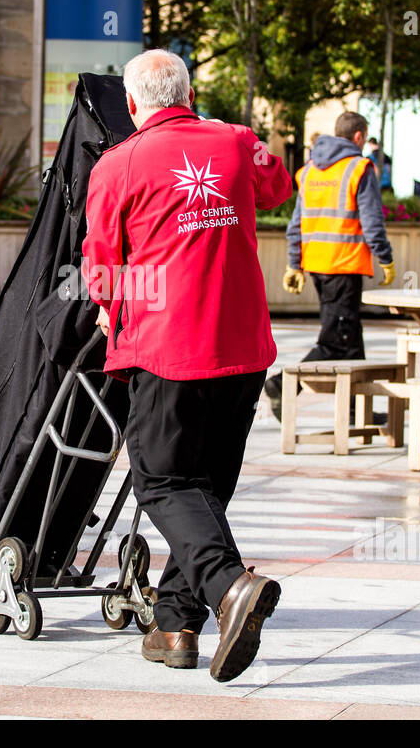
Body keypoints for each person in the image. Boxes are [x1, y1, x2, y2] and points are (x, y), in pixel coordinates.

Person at [82, 49, 290, 682]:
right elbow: (278, 185)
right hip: (242, 348)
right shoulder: (234, 141)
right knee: (206, 489)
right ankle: (175, 625)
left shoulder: (116, 165)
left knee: (164, 483)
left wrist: (109, 305)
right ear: (188, 91)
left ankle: (231, 587)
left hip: (169, 348)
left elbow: (98, 269)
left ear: (133, 103)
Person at [265, 112, 395, 420]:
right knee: (336, 341)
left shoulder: (309, 170)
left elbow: (296, 223)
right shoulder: (359, 168)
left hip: (318, 266)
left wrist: (294, 264)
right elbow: (372, 220)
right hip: (345, 265)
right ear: (359, 137)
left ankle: (357, 412)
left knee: (351, 339)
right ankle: (282, 384)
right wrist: (385, 257)